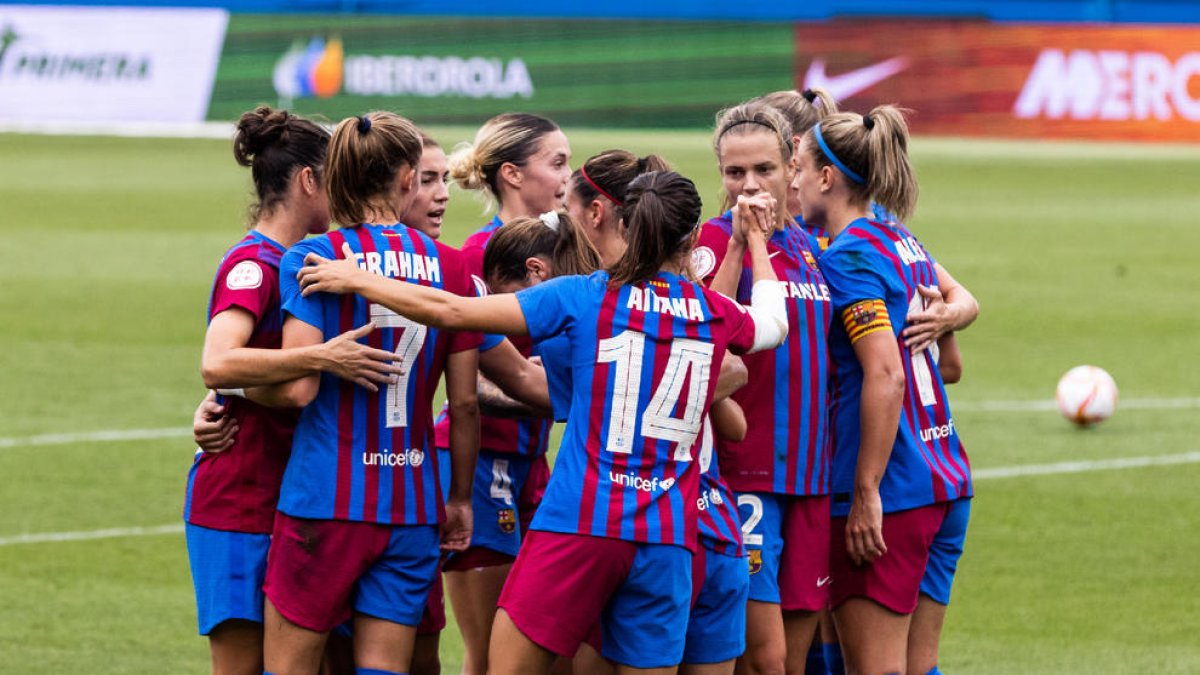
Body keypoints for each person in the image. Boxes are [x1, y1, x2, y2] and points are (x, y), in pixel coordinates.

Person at [295, 170, 791, 675]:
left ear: (624, 224)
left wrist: (358, 279)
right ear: (690, 238)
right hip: (667, 536)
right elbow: (775, 323)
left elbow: (452, 310)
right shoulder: (717, 312)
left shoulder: (584, 295)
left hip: (581, 521)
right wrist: (754, 241)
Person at [246, 111, 482, 675]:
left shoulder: (313, 259)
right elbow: (467, 402)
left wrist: (236, 392)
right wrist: (460, 498)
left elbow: (298, 386)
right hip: (412, 500)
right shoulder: (451, 268)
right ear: (407, 178)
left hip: (324, 499)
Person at [185, 106, 400, 675]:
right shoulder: (253, 267)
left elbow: (246, 380)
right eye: (337, 176)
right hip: (241, 500)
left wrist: (239, 393)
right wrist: (320, 358)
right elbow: (218, 360)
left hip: (308, 500)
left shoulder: (321, 262)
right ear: (310, 181)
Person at [795, 107, 973, 675]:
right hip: (945, 476)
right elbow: (949, 367)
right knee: (920, 667)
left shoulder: (846, 257)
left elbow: (888, 374)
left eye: (797, 167)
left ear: (826, 177)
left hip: (892, 491)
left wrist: (866, 490)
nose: (792, 181)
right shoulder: (902, 240)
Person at [693, 101, 834, 675]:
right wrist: (744, 245)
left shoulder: (805, 245)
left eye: (764, 170)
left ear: (792, 163)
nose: (749, 185)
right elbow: (704, 336)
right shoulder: (711, 239)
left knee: (793, 660)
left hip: (810, 475)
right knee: (764, 661)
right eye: (734, 173)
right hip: (745, 474)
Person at [434, 112, 572, 675]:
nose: (569, 174)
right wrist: (575, 394)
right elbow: (468, 380)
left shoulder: (570, 251)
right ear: (512, 175)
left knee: (549, 646)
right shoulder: (478, 257)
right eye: (557, 162)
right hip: (482, 459)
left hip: (535, 464)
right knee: (492, 652)